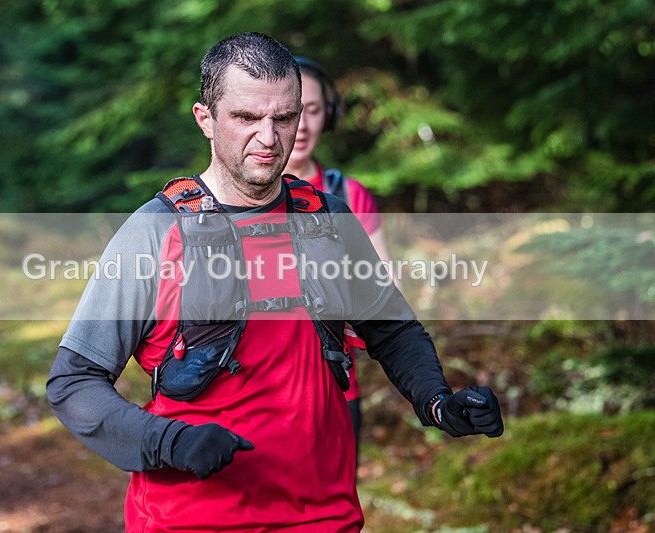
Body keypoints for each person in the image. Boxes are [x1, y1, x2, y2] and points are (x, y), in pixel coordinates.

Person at [47, 32, 503, 532]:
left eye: (284, 118)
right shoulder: (155, 233)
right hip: (189, 522)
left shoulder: (328, 220)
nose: (269, 137)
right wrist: (169, 441)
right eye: (246, 117)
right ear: (206, 120)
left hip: (324, 518)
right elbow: (74, 383)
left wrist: (438, 402)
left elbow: (392, 330)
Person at [283, 56, 392, 459]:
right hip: (254, 394)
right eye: (293, 112)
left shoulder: (349, 196)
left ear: (327, 116)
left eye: (313, 111)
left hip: (336, 390)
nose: (304, 126)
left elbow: (384, 297)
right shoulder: (235, 196)